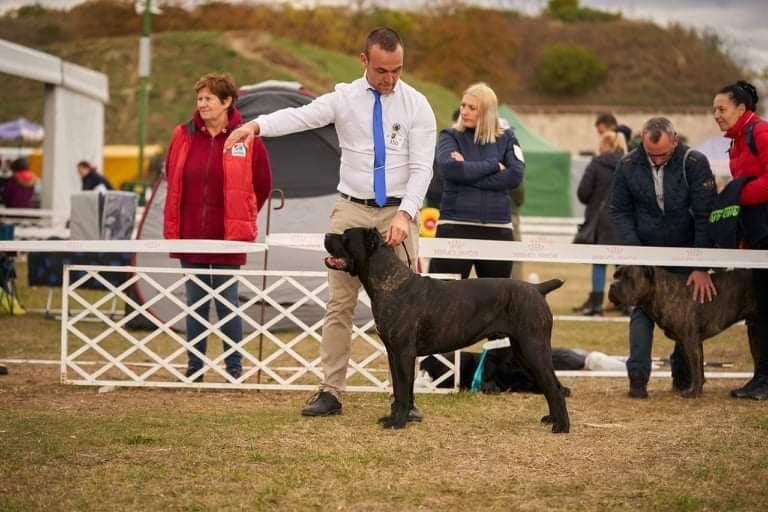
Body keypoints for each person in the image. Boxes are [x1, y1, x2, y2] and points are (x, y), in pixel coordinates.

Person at [224, 28, 436, 417]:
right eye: (381, 70)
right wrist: (257, 127)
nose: (390, 79)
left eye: (397, 70)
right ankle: (331, 391)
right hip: (351, 211)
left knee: (406, 311)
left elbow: (423, 167)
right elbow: (300, 116)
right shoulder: (343, 98)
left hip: (397, 214)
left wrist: (406, 213)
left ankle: (403, 398)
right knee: (339, 304)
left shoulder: (418, 105)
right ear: (363, 61)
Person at [163, 72, 273, 382]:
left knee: (227, 302)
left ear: (227, 102)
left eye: (209, 98)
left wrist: (245, 213)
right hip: (191, 233)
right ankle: (194, 367)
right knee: (195, 301)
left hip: (229, 235)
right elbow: (172, 175)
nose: (202, 104)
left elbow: (262, 184)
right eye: (199, 98)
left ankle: (234, 367)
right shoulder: (183, 135)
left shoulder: (247, 137)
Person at [610, 117, 717, 398]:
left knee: (686, 318)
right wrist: (636, 253)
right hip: (644, 256)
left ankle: (683, 378)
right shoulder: (629, 165)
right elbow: (619, 211)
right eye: (650, 154)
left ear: (675, 140)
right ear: (642, 142)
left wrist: (700, 265)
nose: (656, 160)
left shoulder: (694, 163)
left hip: (686, 253)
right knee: (641, 313)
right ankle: (637, 380)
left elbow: (706, 216)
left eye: (663, 154)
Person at [428, 82, 524, 281]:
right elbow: (451, 170)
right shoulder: (449, 137)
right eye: (463, 105)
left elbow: (515, 176)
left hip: (498, 229)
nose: (464, 111)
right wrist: (493, 165)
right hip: (454, 227)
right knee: (445, 299)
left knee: (496, 301)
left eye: (472, 108)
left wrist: (467, 172)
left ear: (487, 112)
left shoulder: (507, 138)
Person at [712, 80, 768, 399]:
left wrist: (736, 194)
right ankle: (761, 377)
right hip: (756, 237)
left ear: (741, 109)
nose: (716, 115)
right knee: (758, 310)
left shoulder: (759, 132)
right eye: (714, 110)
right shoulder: (734, 142)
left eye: (722, 109)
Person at [573, 130, 625, 315]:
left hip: (600, 221)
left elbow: (583, 192)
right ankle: (625, 303)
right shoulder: (627, 164)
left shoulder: (596, 163)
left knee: (599, 263)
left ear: (605, 145)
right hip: (622, 220)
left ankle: (596, 304)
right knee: (623, 263)